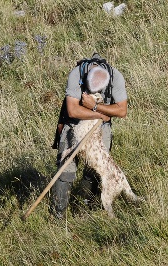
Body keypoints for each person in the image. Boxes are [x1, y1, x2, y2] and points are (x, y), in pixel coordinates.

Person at [50, 53, 127, 219]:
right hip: (73, 124)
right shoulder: (76, 74)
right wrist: (99, 113)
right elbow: (72, 110)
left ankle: (85, 209)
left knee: (94, 169)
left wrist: (95, 106)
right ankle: (58, 215)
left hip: (100, 128)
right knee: (66, 169)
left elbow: (122, 110)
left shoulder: (116, 77)